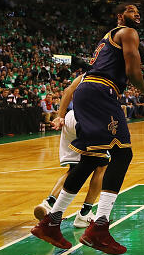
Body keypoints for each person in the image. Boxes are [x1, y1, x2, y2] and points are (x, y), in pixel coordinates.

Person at [31, 3, 144, 255]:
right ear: (120, 16)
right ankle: (99, 227)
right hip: (100, 91)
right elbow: (132, 71)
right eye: (131, 9)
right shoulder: (127, 32)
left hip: (87, 92)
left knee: (89, 159)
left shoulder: (106, 40)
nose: (137, 13)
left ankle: (51, 222)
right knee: (122, 153)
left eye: (139, 10)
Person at [33, 73, 108, 229]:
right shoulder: (110, 75)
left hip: (70, 117)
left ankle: (48, 203)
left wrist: (60, 116)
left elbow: (68, 91)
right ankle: (85, 213)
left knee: (74, 168)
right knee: (101, 165)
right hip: (89, 119)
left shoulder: (86, 74)